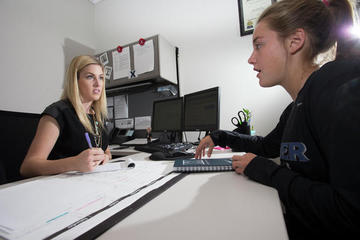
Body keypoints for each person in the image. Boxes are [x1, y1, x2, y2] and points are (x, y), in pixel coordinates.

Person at [195, 0, 360, 239]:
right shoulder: (297, 106)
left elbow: (350, 211)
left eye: (259, 45)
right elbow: (265, 146)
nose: (251, 59)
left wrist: (263, 169)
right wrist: (218, 135)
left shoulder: (337, 89)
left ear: (295, 41)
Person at [21, 55, 111, 177]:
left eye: (101, 78)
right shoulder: (57, 112)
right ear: (75, 80)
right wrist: (74, 163)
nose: (98, 84)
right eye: (90, 77)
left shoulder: (98, 115)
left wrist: (105, 157)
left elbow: (106, 151)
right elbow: (28, 167)